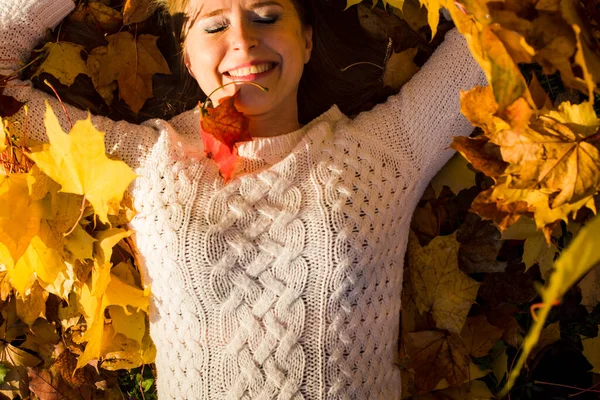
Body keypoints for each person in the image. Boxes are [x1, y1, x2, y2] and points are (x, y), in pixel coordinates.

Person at [0, 0, 486, 398]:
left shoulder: (384, 154)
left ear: (308, 41)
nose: (243, 39)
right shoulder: (145, 166)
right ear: (187, 58)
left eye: (267, 17)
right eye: (214, 25)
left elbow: (490, 39)